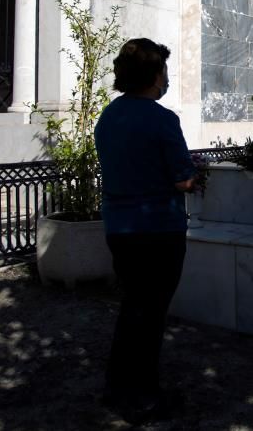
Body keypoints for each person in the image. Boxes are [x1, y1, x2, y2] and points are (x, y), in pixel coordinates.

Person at [93, 38, 196, 421]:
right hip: (158, 230)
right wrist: (192, 176)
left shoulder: (108, 116)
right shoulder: (161, 119)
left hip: (119, 228)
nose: (167, 79)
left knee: (132, 309)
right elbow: (183, 179)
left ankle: (116, 387)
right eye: (164, 71)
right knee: (150, 316)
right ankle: (143, 397)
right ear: (154, 76)